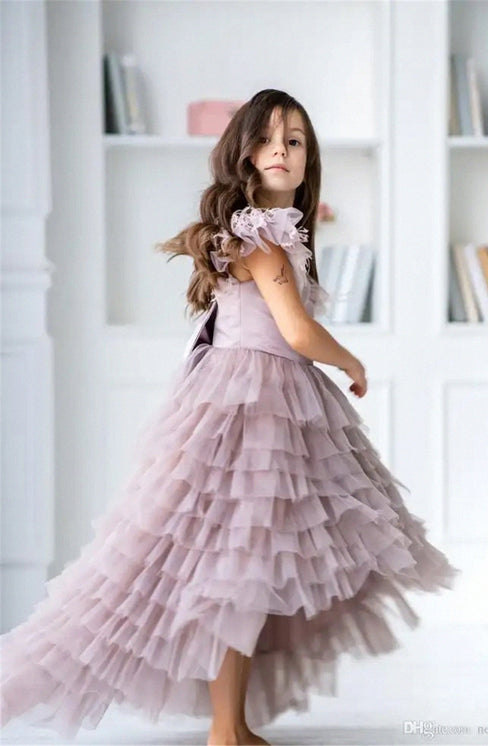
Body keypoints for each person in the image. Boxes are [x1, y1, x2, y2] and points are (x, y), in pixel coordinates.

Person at [0, 88, 461, 746]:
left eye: (294, 141)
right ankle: (225, 730)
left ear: (308, 160)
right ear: (242, 154)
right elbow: (297, 333)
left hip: (265, 397)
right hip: (250, 405)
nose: (281, 150)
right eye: (267, 139)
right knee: (234, 566)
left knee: (243, 568)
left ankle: (231, 724)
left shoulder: (275, 236)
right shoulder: (260, 237)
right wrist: (352, 362)